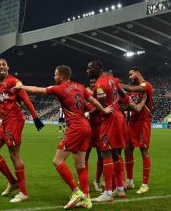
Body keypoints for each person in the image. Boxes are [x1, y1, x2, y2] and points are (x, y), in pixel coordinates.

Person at [12, 65, 113, 209]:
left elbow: (37, 90)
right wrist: (104, 110)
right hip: (86, 126)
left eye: (55, 74)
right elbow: (94, 102)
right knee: (80, 164)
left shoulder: (59, 88)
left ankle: (76, 192)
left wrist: (21, 87)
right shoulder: (80, 86)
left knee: (57, 161)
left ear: (61, 76)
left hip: (76, 127)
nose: (54, 77)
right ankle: (86, 198)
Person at [0, 58, 44, 203]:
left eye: (3, 65)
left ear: (8, 67)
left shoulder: (14, 81)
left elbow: (26, 99)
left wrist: (36, 117)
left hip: (15, 121)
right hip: (4, 122)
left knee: (14, 155)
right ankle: (13, 182)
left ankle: (24, 193)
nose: (1, 67)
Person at [87, 60, 130, 202]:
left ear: (97, 69)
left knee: (105, 152)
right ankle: (120, 189)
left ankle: (108, 192)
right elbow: (123, 94)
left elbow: (103, 105)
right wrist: (125, 105)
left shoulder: (99, 84)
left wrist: (89, 114)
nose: (87, 70)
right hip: (119, 117)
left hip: (109, 119)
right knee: (116, 153)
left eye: (89, 68)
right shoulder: (112, 79)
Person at [120, 67, 153, 194]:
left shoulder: (146, 85)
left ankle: (145, 184)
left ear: (138, 73)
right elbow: (128, 105)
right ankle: (130, 180)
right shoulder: (132, 92)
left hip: (143, 122)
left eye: (131, 74)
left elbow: (132, 88)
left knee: (144, 151)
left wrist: (115, 83)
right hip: (131, 122)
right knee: (127, 149)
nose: (129, 77)